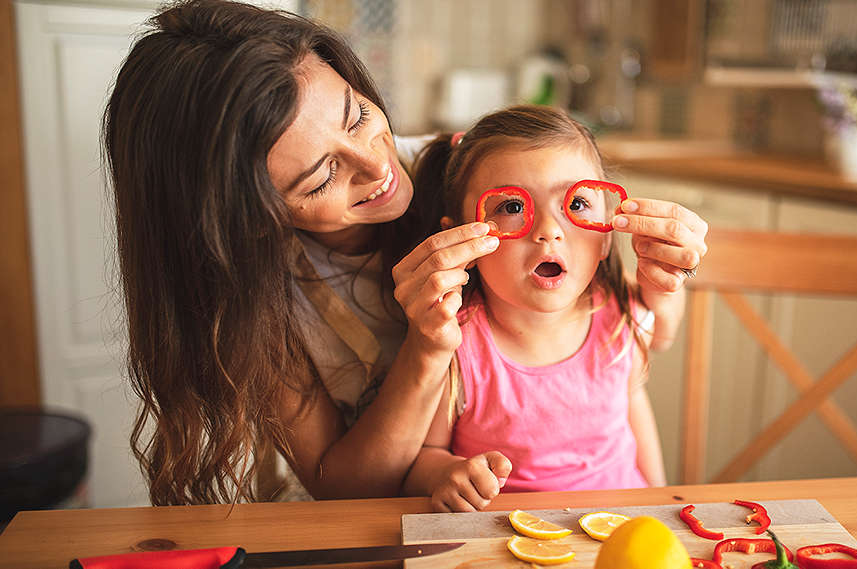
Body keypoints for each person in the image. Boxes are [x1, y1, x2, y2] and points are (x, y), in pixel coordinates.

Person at [103, 0, 499, 505]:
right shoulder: (253, 300)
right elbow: (342, 486)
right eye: (321, 177)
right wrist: (425, 351)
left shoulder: (468, 178)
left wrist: (633, 293)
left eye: (356, 117)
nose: (377, 166)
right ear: (250, 217)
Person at [402, 106, 708, 512]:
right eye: (511, 207)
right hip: (511, 541)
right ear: (461, 242)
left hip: (620, 532)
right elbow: (424, 456)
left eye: (577, 204)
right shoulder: (455, 343)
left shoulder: (619, 316)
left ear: (605, 238)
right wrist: (444, 473)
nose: (549, 229)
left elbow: (662, 338)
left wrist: (659, 504)